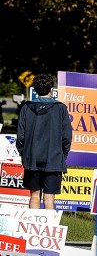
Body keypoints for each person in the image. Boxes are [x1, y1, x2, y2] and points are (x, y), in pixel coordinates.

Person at [16, 73, 71, 209]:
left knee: (34, 196)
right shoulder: (60, 108)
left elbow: (20, 136)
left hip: (32, 158)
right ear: (51, 88)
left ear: (35, 89)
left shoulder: (26, 108)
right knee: (49, 199)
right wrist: (62, 156)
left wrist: (25, 153)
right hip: (53, 158)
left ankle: (33, 229)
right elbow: (66, 137)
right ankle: (48, 229)